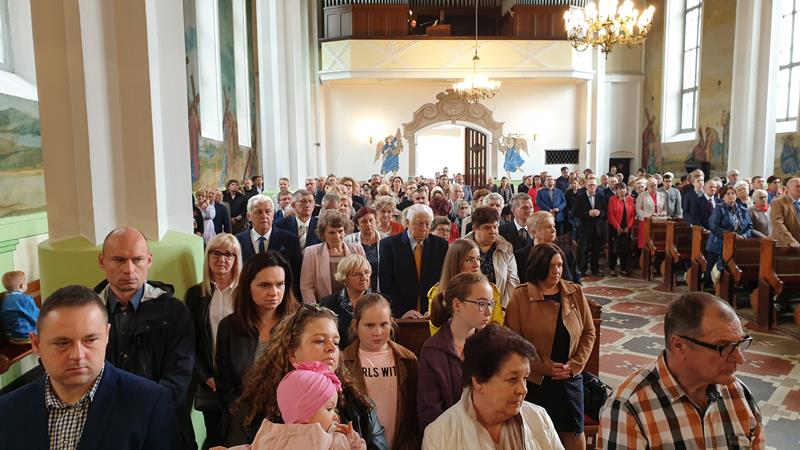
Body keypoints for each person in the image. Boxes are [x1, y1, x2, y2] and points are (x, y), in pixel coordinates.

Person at [0, 285, 179, 449]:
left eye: (90, 340)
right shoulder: (7, 410)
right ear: (36, 344)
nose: (78, 355)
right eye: (62, 343)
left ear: (107, 335)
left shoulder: (150, 404)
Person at [598, 292, 763, 449]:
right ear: (679, 346)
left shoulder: (738, 393)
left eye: (739, 343)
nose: (740, 358)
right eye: (724, 347)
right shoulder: (628, 408)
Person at [227, 304, 389, 449]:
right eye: (320, 341)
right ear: (292, 353)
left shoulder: (360, 407)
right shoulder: (253, 412)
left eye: (336, 342)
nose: (332, 348)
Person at [94, 227, 195, 449]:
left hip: (164, 428)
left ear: (149, 260)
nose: (129, 269)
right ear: (102, 261)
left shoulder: (174, 311)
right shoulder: (87, 313)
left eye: (137, 259)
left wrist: (140, 415)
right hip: (107, 430)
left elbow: (178, 376)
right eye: (119, 260)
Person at [506, 243, 596, 450]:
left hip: (569, 377)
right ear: (539, 266)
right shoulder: (520, 296)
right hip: (535, 380)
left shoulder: (574, 292)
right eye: (551, 266)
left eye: (560, 265)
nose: (557, 271)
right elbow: (513, 341)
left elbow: (589, 332)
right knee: (537, 434)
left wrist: (575, 365)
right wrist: (542, 367)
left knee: (574, 431)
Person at [421, 324, 563, 450]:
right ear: (478, 381)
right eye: (512, 379)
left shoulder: (538, 417)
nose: (523, 389)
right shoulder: (439, 435)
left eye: (525, 378)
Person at [215, 252, 299, 430]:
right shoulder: (229, 327)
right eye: (264, 285)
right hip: (243, 419)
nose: (274, 292)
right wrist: (238, 413)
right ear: (248, 287)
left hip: (291, 420)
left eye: (280, 284)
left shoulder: (299, 324)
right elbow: (224, 383)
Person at [222, 361, 366, 450]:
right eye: (329, 409)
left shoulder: (272, 435)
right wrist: (354, 443)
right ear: (306, 411)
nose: (335, 416)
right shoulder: (332, 441)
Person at [185, 234, 243, 447]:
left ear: (236, 259)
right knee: (215, 438)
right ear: (208, 257)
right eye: (216, 253)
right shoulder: (196, 294)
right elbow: (189, 342)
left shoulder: (245, 294)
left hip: (241, 383)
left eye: (229, 254)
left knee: (240, 438)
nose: (222, 259)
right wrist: (205, 376)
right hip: (210, 382)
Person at [417, 272, 494, 432]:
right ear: (457, 305)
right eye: (481, 303)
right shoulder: (432, 351)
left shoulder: (493, 345)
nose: (488, 311)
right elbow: (430, 413)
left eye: (490, 303)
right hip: (449, 437)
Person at [342, 294, 420, 450]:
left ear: (391, 322)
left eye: (384, 324)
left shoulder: (408, 360)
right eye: (369, 325)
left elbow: (414, 412)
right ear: (355, 325)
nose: (377, 332)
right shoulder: (343, 362)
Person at [379, 204, 448, 319]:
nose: (424, 228)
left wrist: (435, 308)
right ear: (407, 222)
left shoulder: (441, 246)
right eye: (419, 223)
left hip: (432, 314)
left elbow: (444, 280)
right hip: (401, 314)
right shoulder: (389, 245)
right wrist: (401, 312)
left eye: (427, 224)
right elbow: (386, 283)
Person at [428, 239, 504, 335]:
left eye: (478, 259)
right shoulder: (438, 292)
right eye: (469, 260)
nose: (476, 265)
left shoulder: (491, 290)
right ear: (455, 263)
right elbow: (437, 332)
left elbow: (497, 327)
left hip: (485, 342)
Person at [300, 210, 366, 303]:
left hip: (354, 305)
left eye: (340, 231)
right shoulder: (311, 252)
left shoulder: (357, 250)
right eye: (332, 232)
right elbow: (307, 287)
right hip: (323, 308)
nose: (337, 236)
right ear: (323, 234)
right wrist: (315, 309)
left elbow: (365, 280)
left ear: (345, 231)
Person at [235, 194, 302, 282]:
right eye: (258, 212)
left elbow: (296, 276)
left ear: (273, 215)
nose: (264, 216)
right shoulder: (237, 241)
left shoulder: (290, 240)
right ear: (248, 216)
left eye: (268, 211)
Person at [464, 206, 519, 308]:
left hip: (498, 306)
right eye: (487, 228)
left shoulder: (505, 247)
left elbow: (512, 281)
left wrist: (504, 308)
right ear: (475, 228)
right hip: (468, 305)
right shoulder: (461, 247)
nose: (493, 231)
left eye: (495, 227)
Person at [320, 254, 374, 350]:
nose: (364, 277)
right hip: (339, 354)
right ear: (344, 278)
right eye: (357, 274)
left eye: (366, 272)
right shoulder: (328, 303)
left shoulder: (381, 301)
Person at [515, 211, 580, 284]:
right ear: (533, 232)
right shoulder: (519, 256)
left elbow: (576, 281)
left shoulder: (566, 252)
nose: (553, 230)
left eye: (554, 226)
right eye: (548, 227)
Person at [706, 185, 754, 281]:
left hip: (738, 244)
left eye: (733, 193)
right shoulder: (719, 209)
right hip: (719, 244)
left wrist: (744, 236)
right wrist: (730, 236)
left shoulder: (743, 209)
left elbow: (749, 226)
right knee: (714, 274)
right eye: (728, 194)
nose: (731, 196)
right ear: (723, 197)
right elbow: (713, 226)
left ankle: (732, 284)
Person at [571, 178, 607, 277]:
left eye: (594, 185)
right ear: (586, 186)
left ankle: (595, 270)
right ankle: (582, 270)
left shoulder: (600, 196)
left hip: (597, 228)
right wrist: (588, 213)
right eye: (590, 185)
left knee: (596, 250)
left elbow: (605, 211)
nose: (592, 187)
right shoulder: (580, 197)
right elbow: (575, 213)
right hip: (585, 228)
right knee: (583, 250)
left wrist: (600, 212)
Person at [345, 207, 386, 291]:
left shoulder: (386, 241)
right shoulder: (348, 241)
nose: (368, 224)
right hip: (357, 288)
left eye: (371, 220)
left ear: (376, 222)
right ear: (357, 226)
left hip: (382, 287)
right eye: (363, 222)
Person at [0, 270, 39, 344]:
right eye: (26, 282)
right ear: (21, 285)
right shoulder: (25, 299)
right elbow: (36, 317)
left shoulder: (5, 300)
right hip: (26, 336)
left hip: (11, 336)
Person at [606, 182, 636, 277]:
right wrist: (617, 227)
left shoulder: (630, 200)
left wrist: (628, 227)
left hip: (626, 228)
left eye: (623, 189)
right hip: (614, 228)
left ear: (626, 190)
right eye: (620, 189)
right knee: (614, 249)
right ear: (616, 190)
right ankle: (612, 269)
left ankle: (623, 268)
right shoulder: (612, 199)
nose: (622, 191)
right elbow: (610, 215)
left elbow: (633, 215)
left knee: (625, 250)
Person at [769, 177, 800, 247]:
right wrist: (791, 241)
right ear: (788, 188)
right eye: (798, 186)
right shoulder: (778, 202)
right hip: (785, 245)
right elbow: (778, 223)